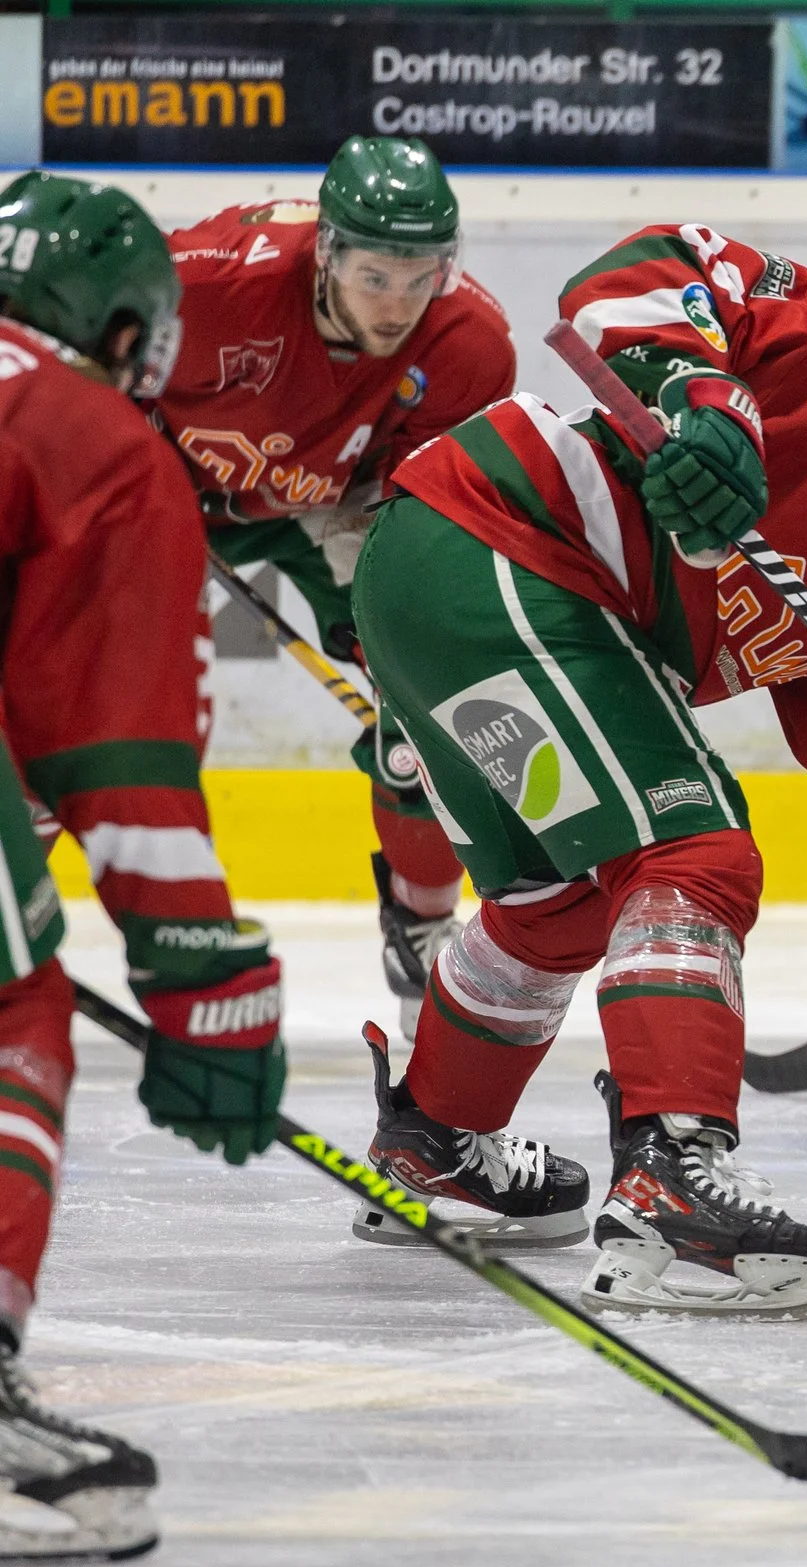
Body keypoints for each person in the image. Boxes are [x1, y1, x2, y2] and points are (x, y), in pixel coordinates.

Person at [350, 229, 807, 1317]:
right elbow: (641, 270)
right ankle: (671, 1173)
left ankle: (433, 1137)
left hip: (451, 595)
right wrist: (707, 405)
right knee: (692, 854)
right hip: (498, 537)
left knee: (560, 901)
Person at [0, 174, 287, 1561]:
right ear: (120, 327)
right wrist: (196, 964)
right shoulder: (94, 435)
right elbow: (115, 747)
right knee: (12, 1015)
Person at [153, 136, 515, 1040]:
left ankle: (423, 933)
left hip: (334, 503)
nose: (397, 304)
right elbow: (57, 359)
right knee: (80, 706)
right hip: (163, 491)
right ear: (325, 253)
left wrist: (408, 660)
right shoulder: (204, 281)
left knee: (432, 703)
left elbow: (419, 519)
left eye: (420, 277)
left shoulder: (468, 345)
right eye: (372, 276)